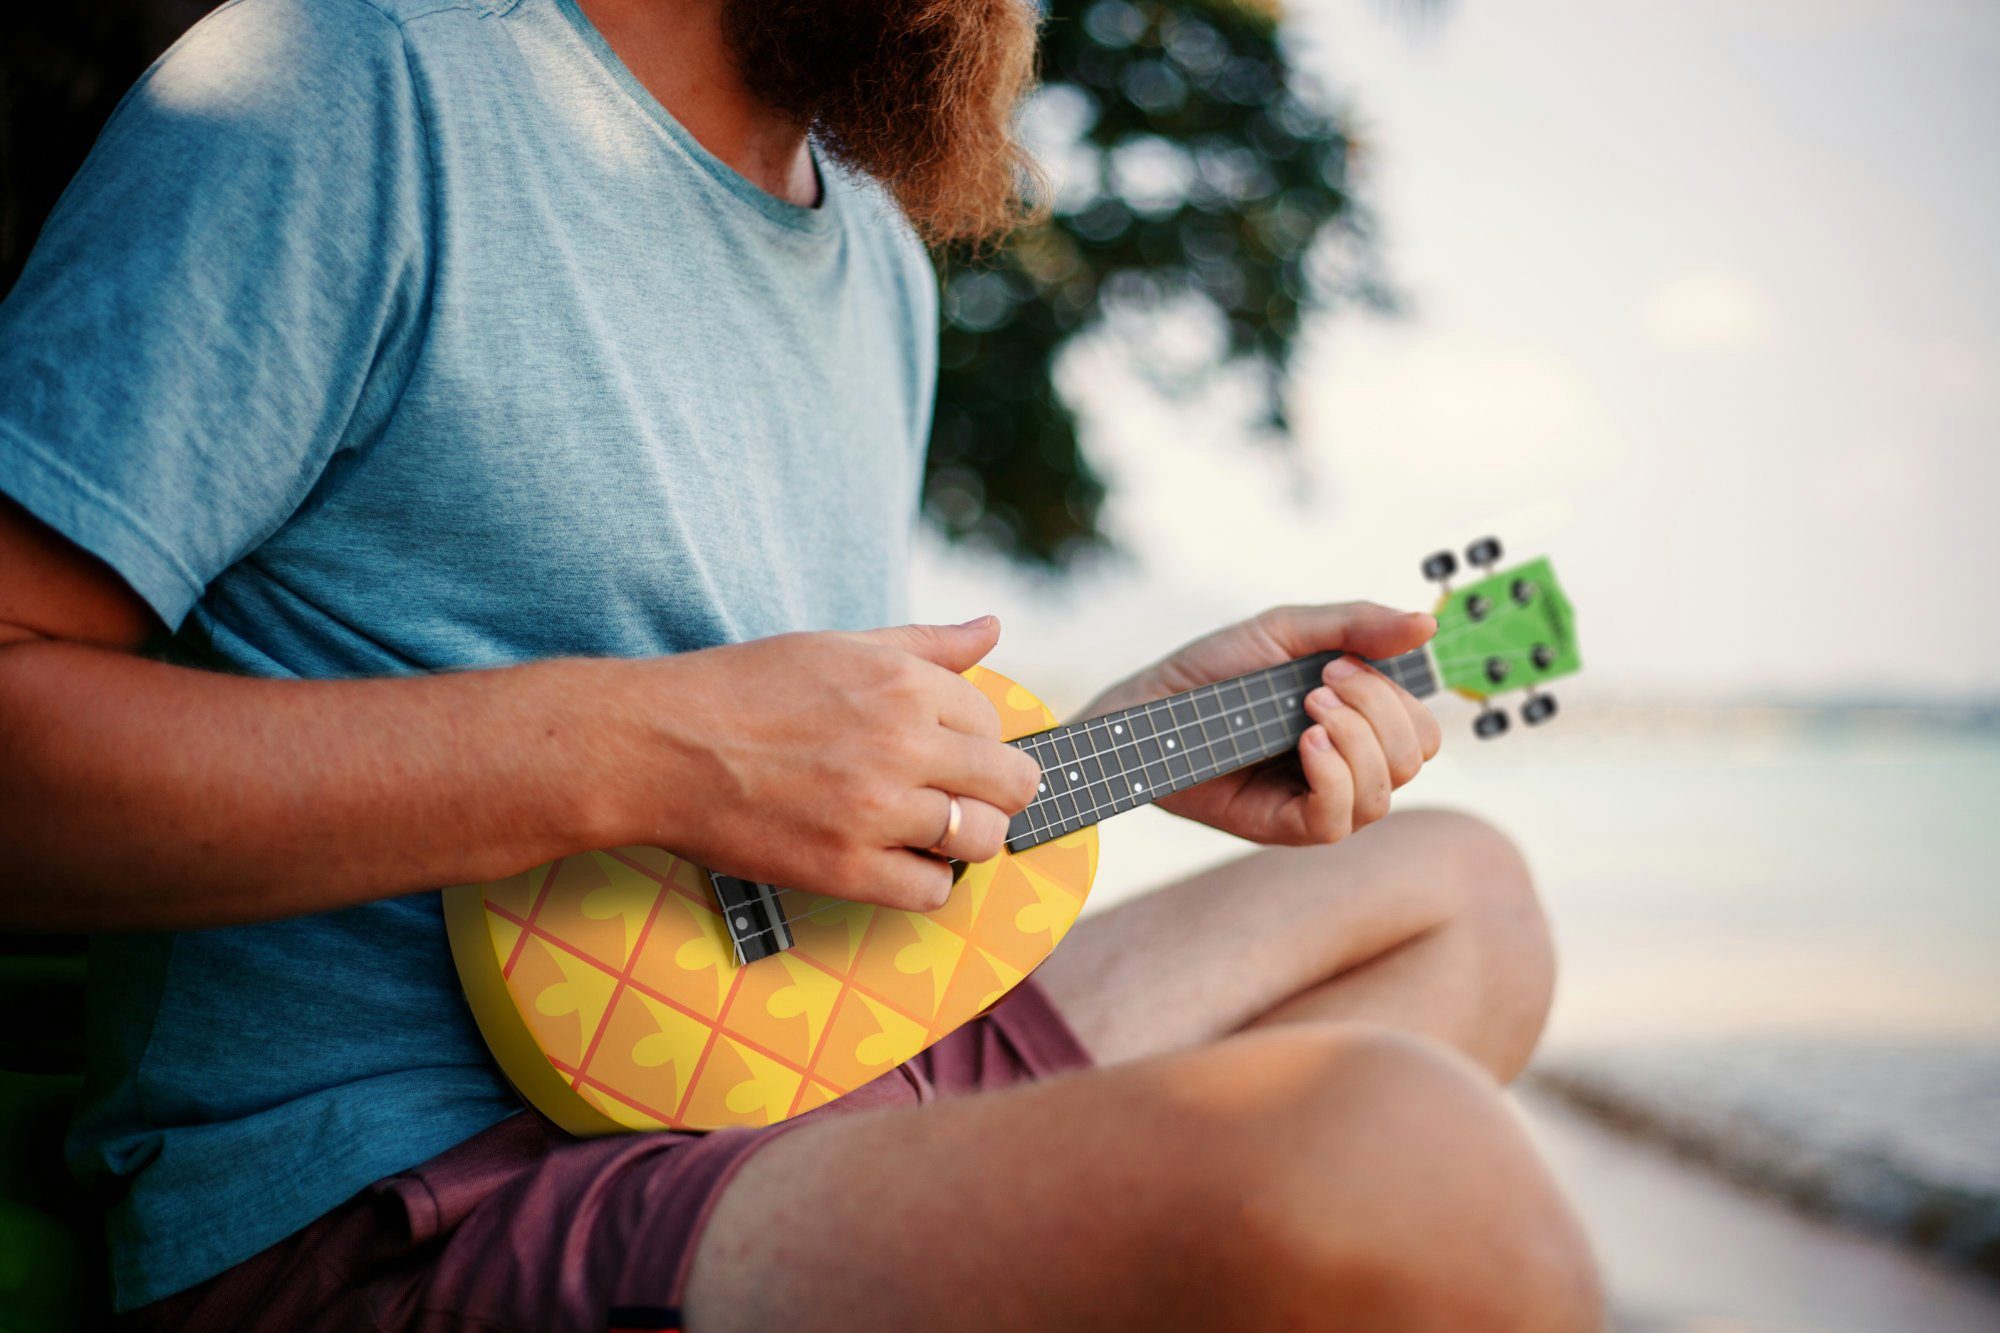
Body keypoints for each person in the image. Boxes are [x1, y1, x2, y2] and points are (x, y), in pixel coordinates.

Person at [0, 0, 1600, 1327]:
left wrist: (1112, 747)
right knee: (1399, 1165)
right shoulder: (351, 91)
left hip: (777, 1092)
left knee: (1465, 899)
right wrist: (653, 752)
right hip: (414, 1206)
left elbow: (761, 894)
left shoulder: (881, 263)